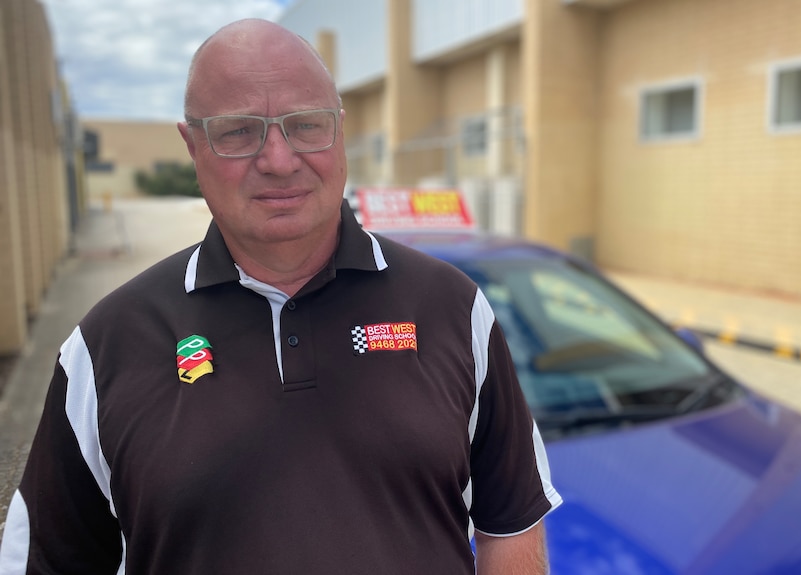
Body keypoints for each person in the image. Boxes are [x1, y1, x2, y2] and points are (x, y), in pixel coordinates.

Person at [0, 18, 561, 574]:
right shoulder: (105, 346)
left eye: (306, 125)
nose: (278, 159)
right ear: (192, 144)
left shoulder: (452, 309)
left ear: (339, 129)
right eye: (239, 131)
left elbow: (509, 523)